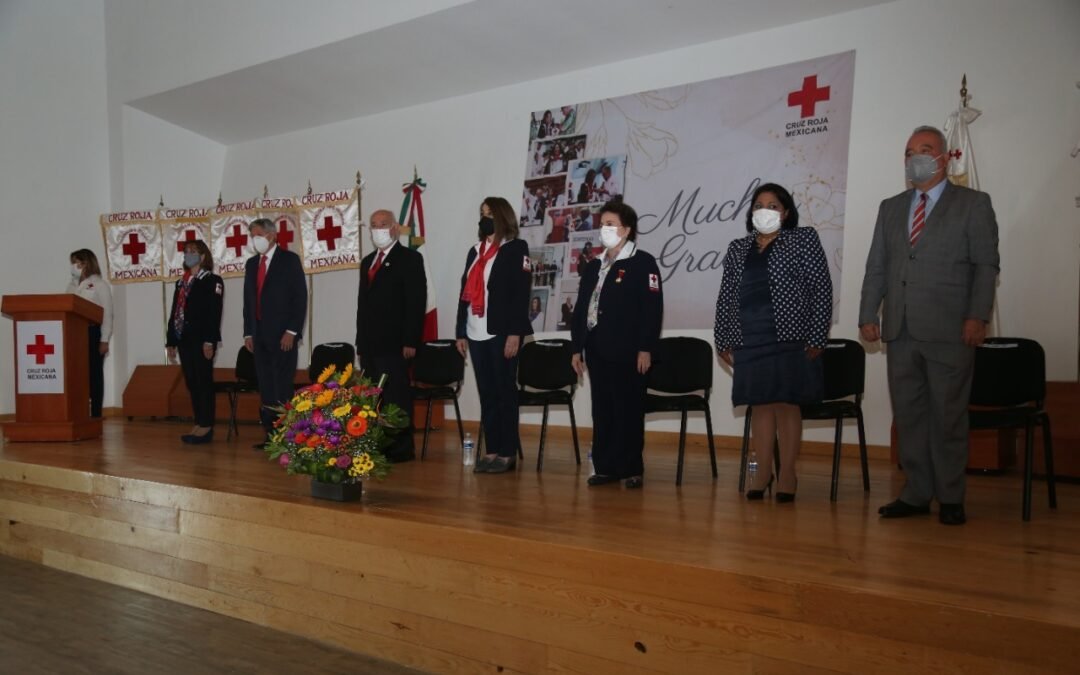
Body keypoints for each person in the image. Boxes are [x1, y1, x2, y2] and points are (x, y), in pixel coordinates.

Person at [859, 125, 1000, 526]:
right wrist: (868, 313)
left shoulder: (973, 204)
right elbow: (877, 266)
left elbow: (985, 265)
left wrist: (977, 316)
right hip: (900, 329)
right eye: (909, 152)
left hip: (950, 328)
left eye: (924, 149)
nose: (915, 157)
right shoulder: (890, 207)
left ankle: (951, 496)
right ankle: (917, 493)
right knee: (909, 415)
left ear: (944, 157)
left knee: (948, 416)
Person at [714, 183, 832, 503]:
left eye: (773, 205)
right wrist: (722, 338)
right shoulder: (738, 247)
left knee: (786, 403)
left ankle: (788, 474)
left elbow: (821, 288)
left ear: (786, 212)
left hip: (791, 336)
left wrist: (817, 336)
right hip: (749, 336)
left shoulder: (803, 239)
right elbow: (726, 296)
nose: (764, 210)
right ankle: (763, 473)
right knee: (760, 404)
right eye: (758, 205)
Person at [571, 197, 663, 489]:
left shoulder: (642, 262)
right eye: (602, 224)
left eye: (610, 224)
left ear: (626, 229)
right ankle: (606, 467)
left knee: (629, 409)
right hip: (596, 348)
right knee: (603, 409)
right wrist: (576, 348)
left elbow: (652, 309)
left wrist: (645, 347)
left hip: (629, 351)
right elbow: (582, 308)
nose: (604, 229)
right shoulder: (594, 265)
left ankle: (631, 468)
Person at [456, 196, 533, 474]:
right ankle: (491, 450)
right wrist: (460, 331)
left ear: (502, 216)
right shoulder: (474, 251)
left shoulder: (515, 248)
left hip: (501, 332)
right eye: (482, 213)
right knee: (487, 394)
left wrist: (515, 333)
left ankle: (507, 452)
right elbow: (464, 293)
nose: (484, 218)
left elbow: (521, 294)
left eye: (489, 213)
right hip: (475, 331)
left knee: (504, 392)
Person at [355, 210, 427, 463]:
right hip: (370, 344)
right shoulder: (368, 262)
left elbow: (416, 302)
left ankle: (400, 448)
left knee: (396, 396)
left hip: (396, 343)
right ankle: (378, 443)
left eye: (383, 224)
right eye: (374, 225)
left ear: (395, 227)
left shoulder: (409, 259)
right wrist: (360, 341)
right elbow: (362, 305)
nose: (378, 230)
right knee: (374, 398)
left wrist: (410, 340)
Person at [243, 218, 308, 449]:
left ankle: (288, 437)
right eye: (252, 236)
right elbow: (248, 301)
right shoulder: (252, 264)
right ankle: (271, 435)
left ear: (271, 236)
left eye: (258, 235)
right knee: (266, 387)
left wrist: (292, 331)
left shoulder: (289, 260)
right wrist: (248, 333)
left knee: (282, 386)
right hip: (259, 335)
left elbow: (299, 298)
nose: (255, 239)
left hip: (283, 336)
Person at [166, 240, 224, 444]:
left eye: (193, 251)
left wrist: (209, 341)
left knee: (203, 381)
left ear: (203, 256)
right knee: (191, 382)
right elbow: (175, 311)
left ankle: (207, 425)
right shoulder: (182, 282)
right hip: (184, 339)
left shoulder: (212, 280)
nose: (188, 255)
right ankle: (199, 421)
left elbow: (214, 313)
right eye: (186, 251)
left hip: (202, 340)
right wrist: (171, 340)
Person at [67, 249, 112, 418]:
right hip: (74, 334)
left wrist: (104, 339)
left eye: (77, 262)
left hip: (93, 333)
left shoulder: (99, 284)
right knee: (77, 374)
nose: (74, 266)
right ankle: (80, 412)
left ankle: (96, 414)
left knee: (94, 375)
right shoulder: (72, 285)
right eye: (72, 263)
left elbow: (107, 314)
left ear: (86, 263)